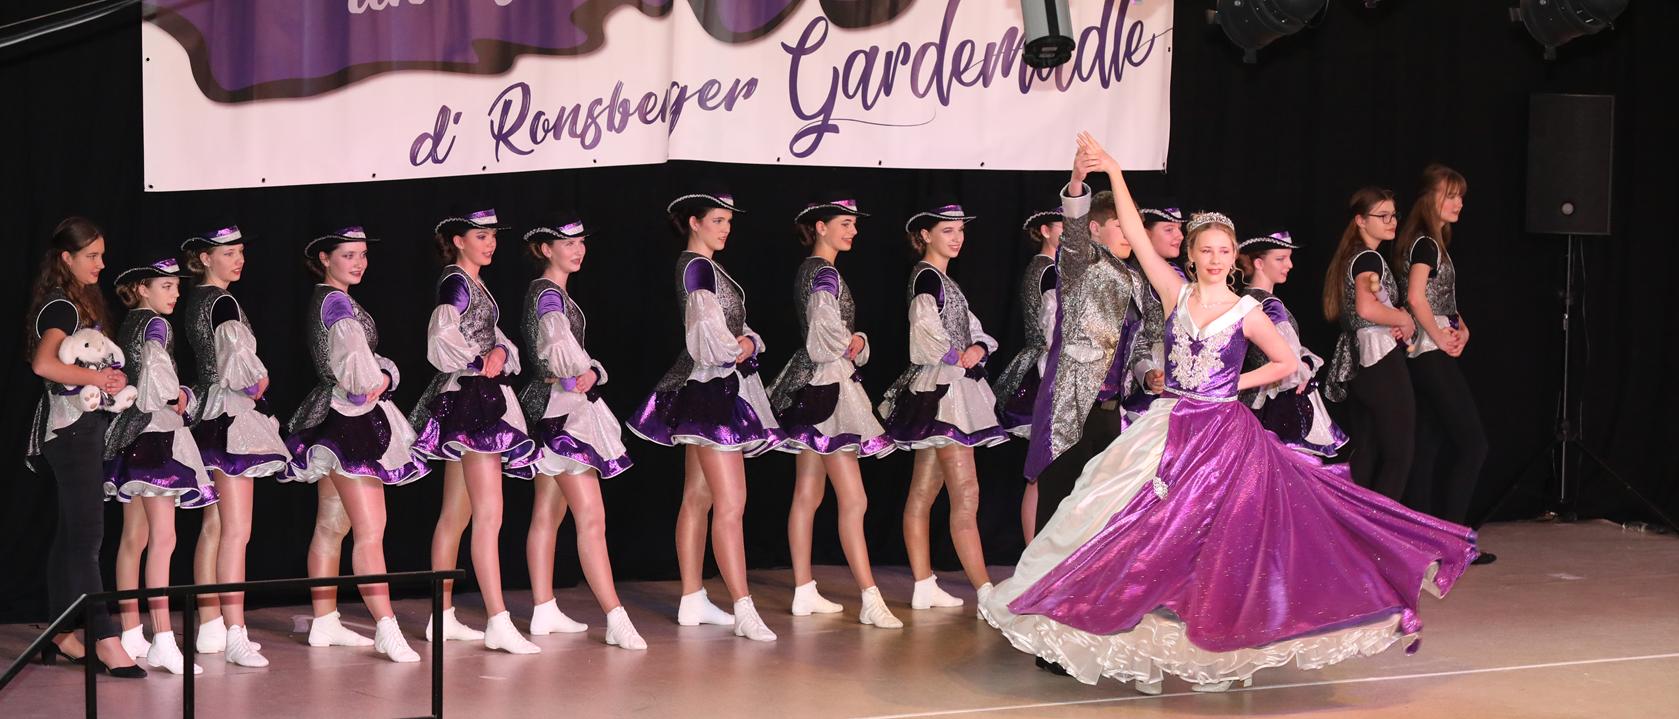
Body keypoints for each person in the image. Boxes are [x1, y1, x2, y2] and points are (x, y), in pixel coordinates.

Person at [982, 132, 1478, 693]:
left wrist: (1232, 382)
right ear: (1192, 255)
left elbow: (1285, 361)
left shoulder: (1245, 310)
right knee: (1131, 527)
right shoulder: (1174, 292)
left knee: (1219, 543)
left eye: (1224, 251)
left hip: (1223, 435)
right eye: (1206, 251)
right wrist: (1114, 172)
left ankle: (1217, 644)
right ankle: (1132, 632)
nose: (1215, 259)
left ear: (1233, 256)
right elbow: (1139, 238)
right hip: (1169, 428)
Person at [626, 184, 780, 641]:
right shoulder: (696, 268)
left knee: (698, 496)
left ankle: (692, 598)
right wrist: (742, 347)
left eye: (729, 222)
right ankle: (744, 606)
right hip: (711, 391)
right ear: (694, 223)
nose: (726, 229)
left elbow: (734, 330)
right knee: (731, 503)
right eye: (717, 221)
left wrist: (748, 341)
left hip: (709, 387)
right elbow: (708, 338)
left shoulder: (707, 267)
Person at [284, 224, 428, 663]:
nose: (359, 263)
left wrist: (380, 374)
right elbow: (360, 374)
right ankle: (387, 627)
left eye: (363, 254)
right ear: (324, 258)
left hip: (332, 417)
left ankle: (324, 620)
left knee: (332, 525)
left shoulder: (328, 299)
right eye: (349, 255)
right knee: (370, 530)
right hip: (350, 423)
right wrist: (381, 377)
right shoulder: (337, 304)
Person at [765, 194, 902, 628]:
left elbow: (824, 329)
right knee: (854, 498)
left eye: (854, 224)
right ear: (820, 227)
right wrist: (852, 342)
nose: (853, 230)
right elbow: (824, 332)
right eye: (845, 223)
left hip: (814, 384)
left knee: (808, 493)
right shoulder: (823, 272)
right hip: (827, 387)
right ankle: (869, 597)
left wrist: (853, 340)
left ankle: (804, 589)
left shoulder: (813, 270)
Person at [411, 207, 542, 654]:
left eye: (492, 236)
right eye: (480, 236)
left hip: (473, 397)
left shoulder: (473, 283)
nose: (490, 243)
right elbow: (441, 337)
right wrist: (475, 360)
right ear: (458, 240)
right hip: (473, 401)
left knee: (457, 514)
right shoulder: (456, 282)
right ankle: (498, 620)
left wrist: (499, 352)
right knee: (489, 514)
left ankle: (442, 616)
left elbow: (494, 336)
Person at [519, 211, 647, 650]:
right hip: (562, 413)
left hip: (550, 408)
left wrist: (587, 370)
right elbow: (559, 348)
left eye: (580, 242)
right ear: (545, 249)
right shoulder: (547, 294)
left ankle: (543, 608)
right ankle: (615, 615)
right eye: (567, 244)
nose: (577, 250)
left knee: (548, 511)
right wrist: (584, 370)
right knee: (590, 517)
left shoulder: (550, 293)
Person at [26, 218, 145, 677]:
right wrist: (99, 377)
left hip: (76, 430)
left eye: (101, 254)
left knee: (71, 536)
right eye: (91, 256)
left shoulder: (73, 302)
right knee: (87, 539)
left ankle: (61, 634)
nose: (100, 263)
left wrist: (105, 378)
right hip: (72, 432)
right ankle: (106, 639)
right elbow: (44, 364)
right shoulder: (62, 305)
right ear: (66, 258)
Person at [877, 195, 1006, 610]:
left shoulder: (944, 281)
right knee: (964, 491)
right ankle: (985, 591)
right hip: (944, 393)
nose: (957, 238)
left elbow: (974, 330)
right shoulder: (927, 278)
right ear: (925, 235)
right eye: (947, 231)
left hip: (948, 389)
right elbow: (926, 336)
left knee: (925, 491)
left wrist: (977, 349)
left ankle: (923, 584)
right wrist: (957, 355)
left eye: (960, 231)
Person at [179, 224, 291, 667]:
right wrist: (257, 380)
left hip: (207, 414)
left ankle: (211, 625)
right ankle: (235, 632)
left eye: (241, 251)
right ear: (205, 258)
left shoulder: (198, 299)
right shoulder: (222, 302)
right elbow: (240, 365)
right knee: (237, 530)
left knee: (214, 526)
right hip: (229, 416)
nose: (239, 259)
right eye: (228, 253)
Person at [103, 258, 215, 675]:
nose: (175, 293)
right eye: (166, 286)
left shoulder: (131, 322)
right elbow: (155, 368)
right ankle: (164, 640)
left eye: (176, 286)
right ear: (142, 289)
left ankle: (132, 630)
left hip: (131, 434)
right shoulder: (156, 325)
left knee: (134, 537)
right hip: (156, 436)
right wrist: (175, 394)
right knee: (164, 539)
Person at [1395, 164, 1494, 564]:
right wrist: (1439, 337)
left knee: (1429, 445)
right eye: (1450, 195)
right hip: (1428, 355)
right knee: (1473, 444)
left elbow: (1437, 298)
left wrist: (1461, 328)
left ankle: (1426, 542)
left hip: (1428, 352)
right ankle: (1450, 542)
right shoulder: (1425, 244)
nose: (1458, 203)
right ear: (1428, 198)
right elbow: (1415, 297)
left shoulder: (1432, 242)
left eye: (1460, 197)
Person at [1321, 188, 1417, 500]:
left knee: (1367, 450)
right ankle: (1378, 529)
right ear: (1361, 220)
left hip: (1359, 361)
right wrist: (1403, 318)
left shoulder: (1352, 256)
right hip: (1378, 359)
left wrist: (1394, 317)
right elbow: (1366, 309)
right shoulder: (1368, 257)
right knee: (1399, 453)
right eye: (1383, 216)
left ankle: (1351, 525)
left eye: (1394, 215)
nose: (1392, 222)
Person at [1235, 230, 1348, 457]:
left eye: (1289, 258)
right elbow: (1290, 360)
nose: (1290, 265)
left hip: (1252, 400)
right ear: (1259, 263)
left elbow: (1291, 350)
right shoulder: (1269, 304)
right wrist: (1304, 366)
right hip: (1275, 402)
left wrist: (1304, 362)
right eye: (1281, 259)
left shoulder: (1243, 298)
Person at [993, 207, 1061, 543]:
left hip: (1045, 367)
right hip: (1046, 371)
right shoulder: (1048, 270)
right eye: (1063, 226)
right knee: (1041, 472)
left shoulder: (1049, 268)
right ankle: (1036, 552)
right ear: (1045, 230)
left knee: (1044, 472)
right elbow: (1053, 330)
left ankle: (1040, 551)